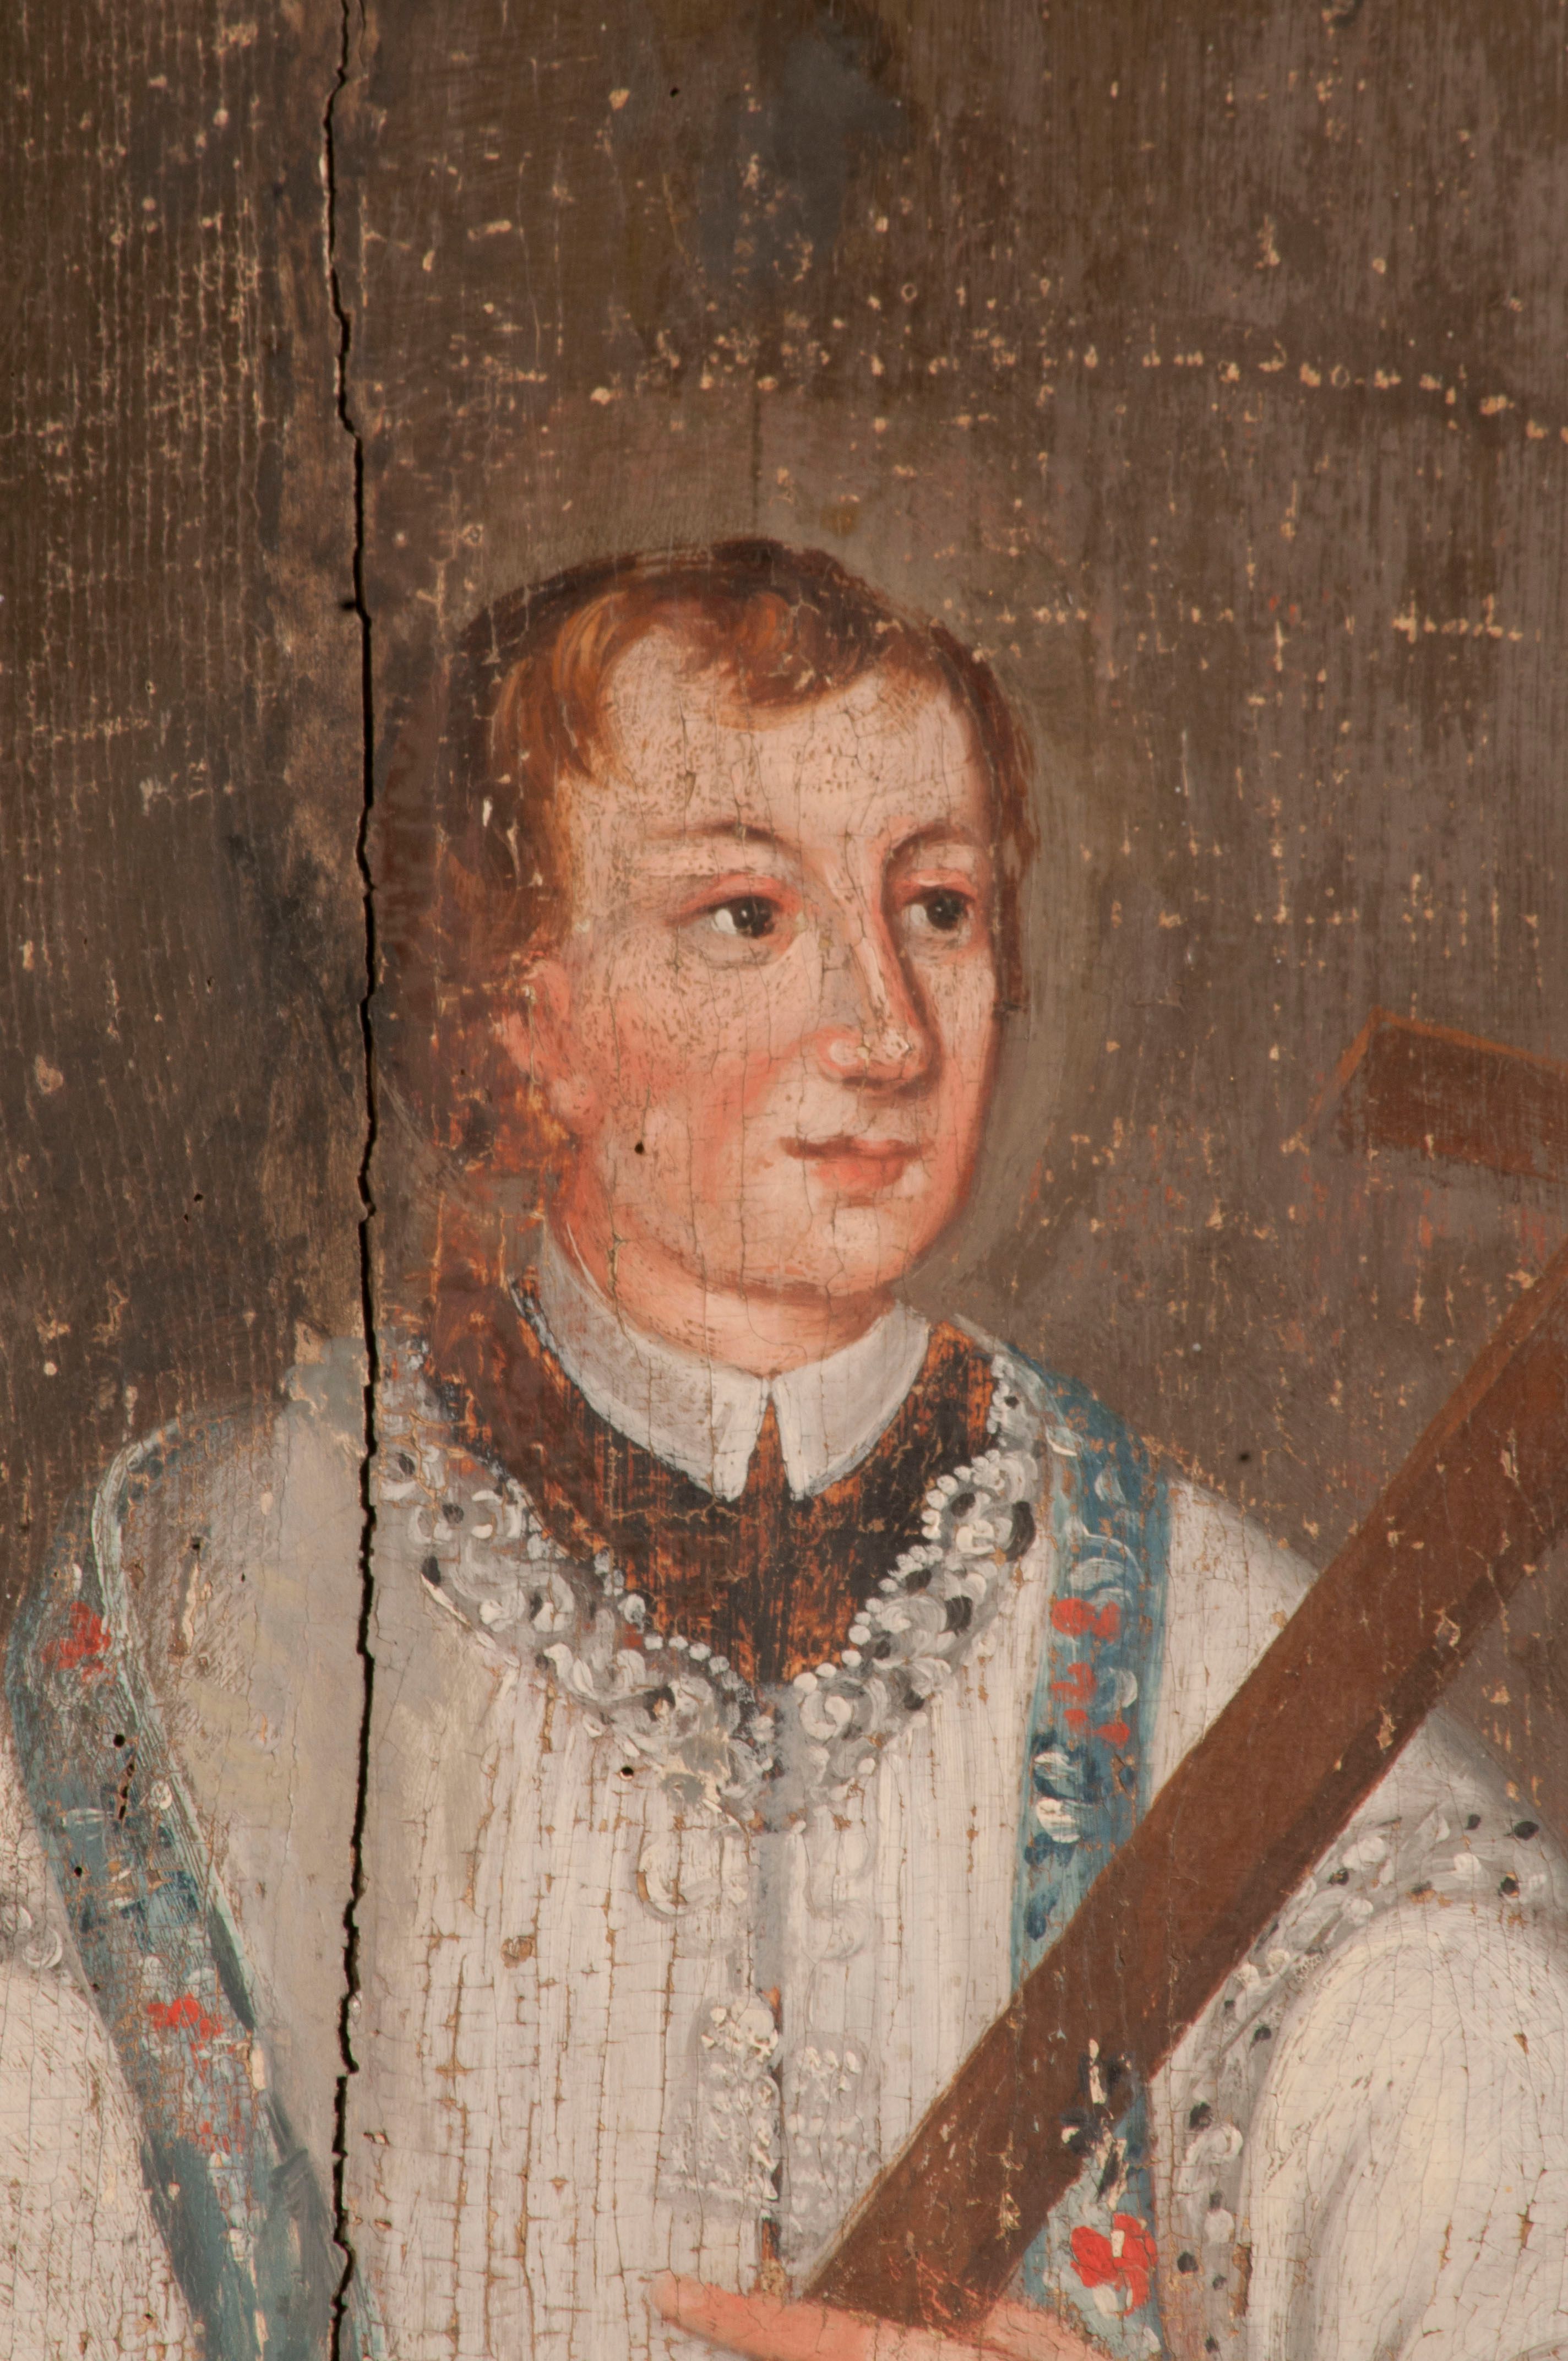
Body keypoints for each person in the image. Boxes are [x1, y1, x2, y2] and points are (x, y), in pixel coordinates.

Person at [3, 542, 1566, 2361]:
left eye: (941, 908)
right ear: (523, 1014)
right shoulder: (198, 1623)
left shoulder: (1230, 1667)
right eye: (747, 917)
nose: (887, 1030)